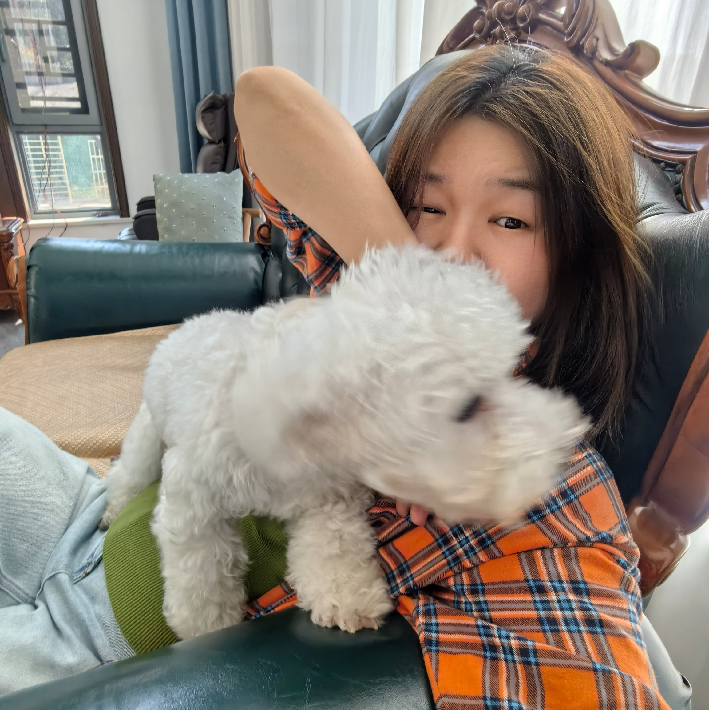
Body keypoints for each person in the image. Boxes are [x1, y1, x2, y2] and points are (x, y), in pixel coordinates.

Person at [0, 44, 676, 709]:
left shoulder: (554, 492)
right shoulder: (369, 288)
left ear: (577, 256)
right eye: (429, 205)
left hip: (95, 634)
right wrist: (415, 307)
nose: (450, 251)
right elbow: (265, 99)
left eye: (510, 219)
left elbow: (606, 679)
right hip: (90, 510)